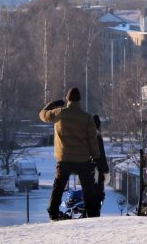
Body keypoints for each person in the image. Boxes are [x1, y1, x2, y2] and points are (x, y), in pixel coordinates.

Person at [39, 87, 101, 220]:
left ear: (67, 99)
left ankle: (53, 211)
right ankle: (92, 213)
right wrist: (96, 156)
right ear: (80, 101)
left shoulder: (59, 113)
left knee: (59, 185)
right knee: (88, 187)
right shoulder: (87, 117)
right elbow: (93, 140)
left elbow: (42, 115)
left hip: (64, 158)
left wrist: (53, 104)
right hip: (83, 159)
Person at [92, 114, 110, 216]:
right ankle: (95, 215)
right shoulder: (97, 136)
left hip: (86, 169)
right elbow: (101, 155)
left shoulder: (86, 134)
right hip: (97, 171)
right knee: (99, 196)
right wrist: (106, 170)